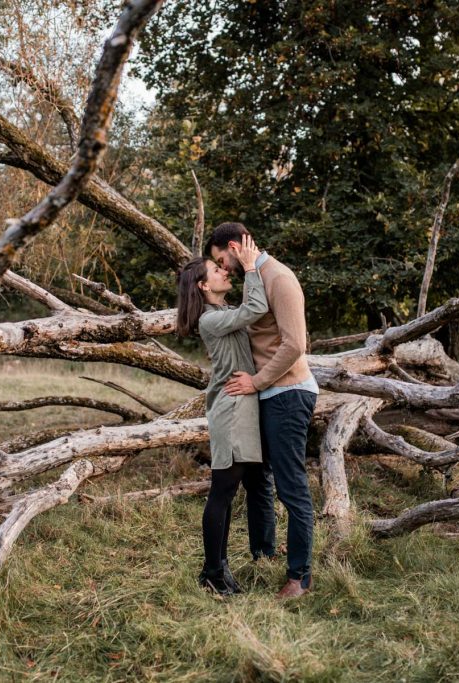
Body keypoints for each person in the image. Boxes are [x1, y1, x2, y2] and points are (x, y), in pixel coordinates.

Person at [207, 222, 318, 599]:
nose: (223, 267)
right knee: (259, 480)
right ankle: (263, 555)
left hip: (287, 393)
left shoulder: (279, 277)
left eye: (221, 258)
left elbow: (295, 345)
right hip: (268, 396)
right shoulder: (257, 277)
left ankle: (300, 578)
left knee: (291, 486)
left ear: (234, 247)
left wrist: (255, 382)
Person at [176, 234, 268, 596]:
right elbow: (255, 308)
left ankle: (220, 567)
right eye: (217, 270)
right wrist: (250, 267)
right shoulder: (210, 320)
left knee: (228, 493)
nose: (224, 271)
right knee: (222, 492)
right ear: (203, 285)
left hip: (241, 409)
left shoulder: (220, 315)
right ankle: (211, 572)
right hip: (230, 412)